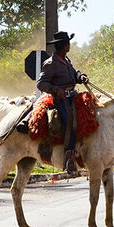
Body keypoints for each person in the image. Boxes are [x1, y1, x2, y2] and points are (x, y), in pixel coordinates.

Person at [36, 31, 89, 172]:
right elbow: (41, 84)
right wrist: (55, 90)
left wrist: (81, 77)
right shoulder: (51, 63)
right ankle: (68, 158)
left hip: (73, 96)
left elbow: (74, 74)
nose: (69, 45)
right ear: (64, 45)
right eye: (68, 43)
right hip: (61, 101)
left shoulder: (66, 60)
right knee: (69, 122)